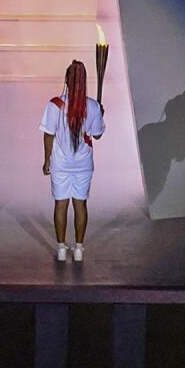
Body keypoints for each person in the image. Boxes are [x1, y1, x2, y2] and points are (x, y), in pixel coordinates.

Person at [41, 58, 105, 262]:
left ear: (66, 80)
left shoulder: (55, 105)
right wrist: (100, 113)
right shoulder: (93, 106)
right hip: (83, 165)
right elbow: (97, 135)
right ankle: (78, 249)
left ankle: (61, 249)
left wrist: (47, 160)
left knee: (61, 205)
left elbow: (48, 134)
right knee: (80, 205)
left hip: (61, 163)